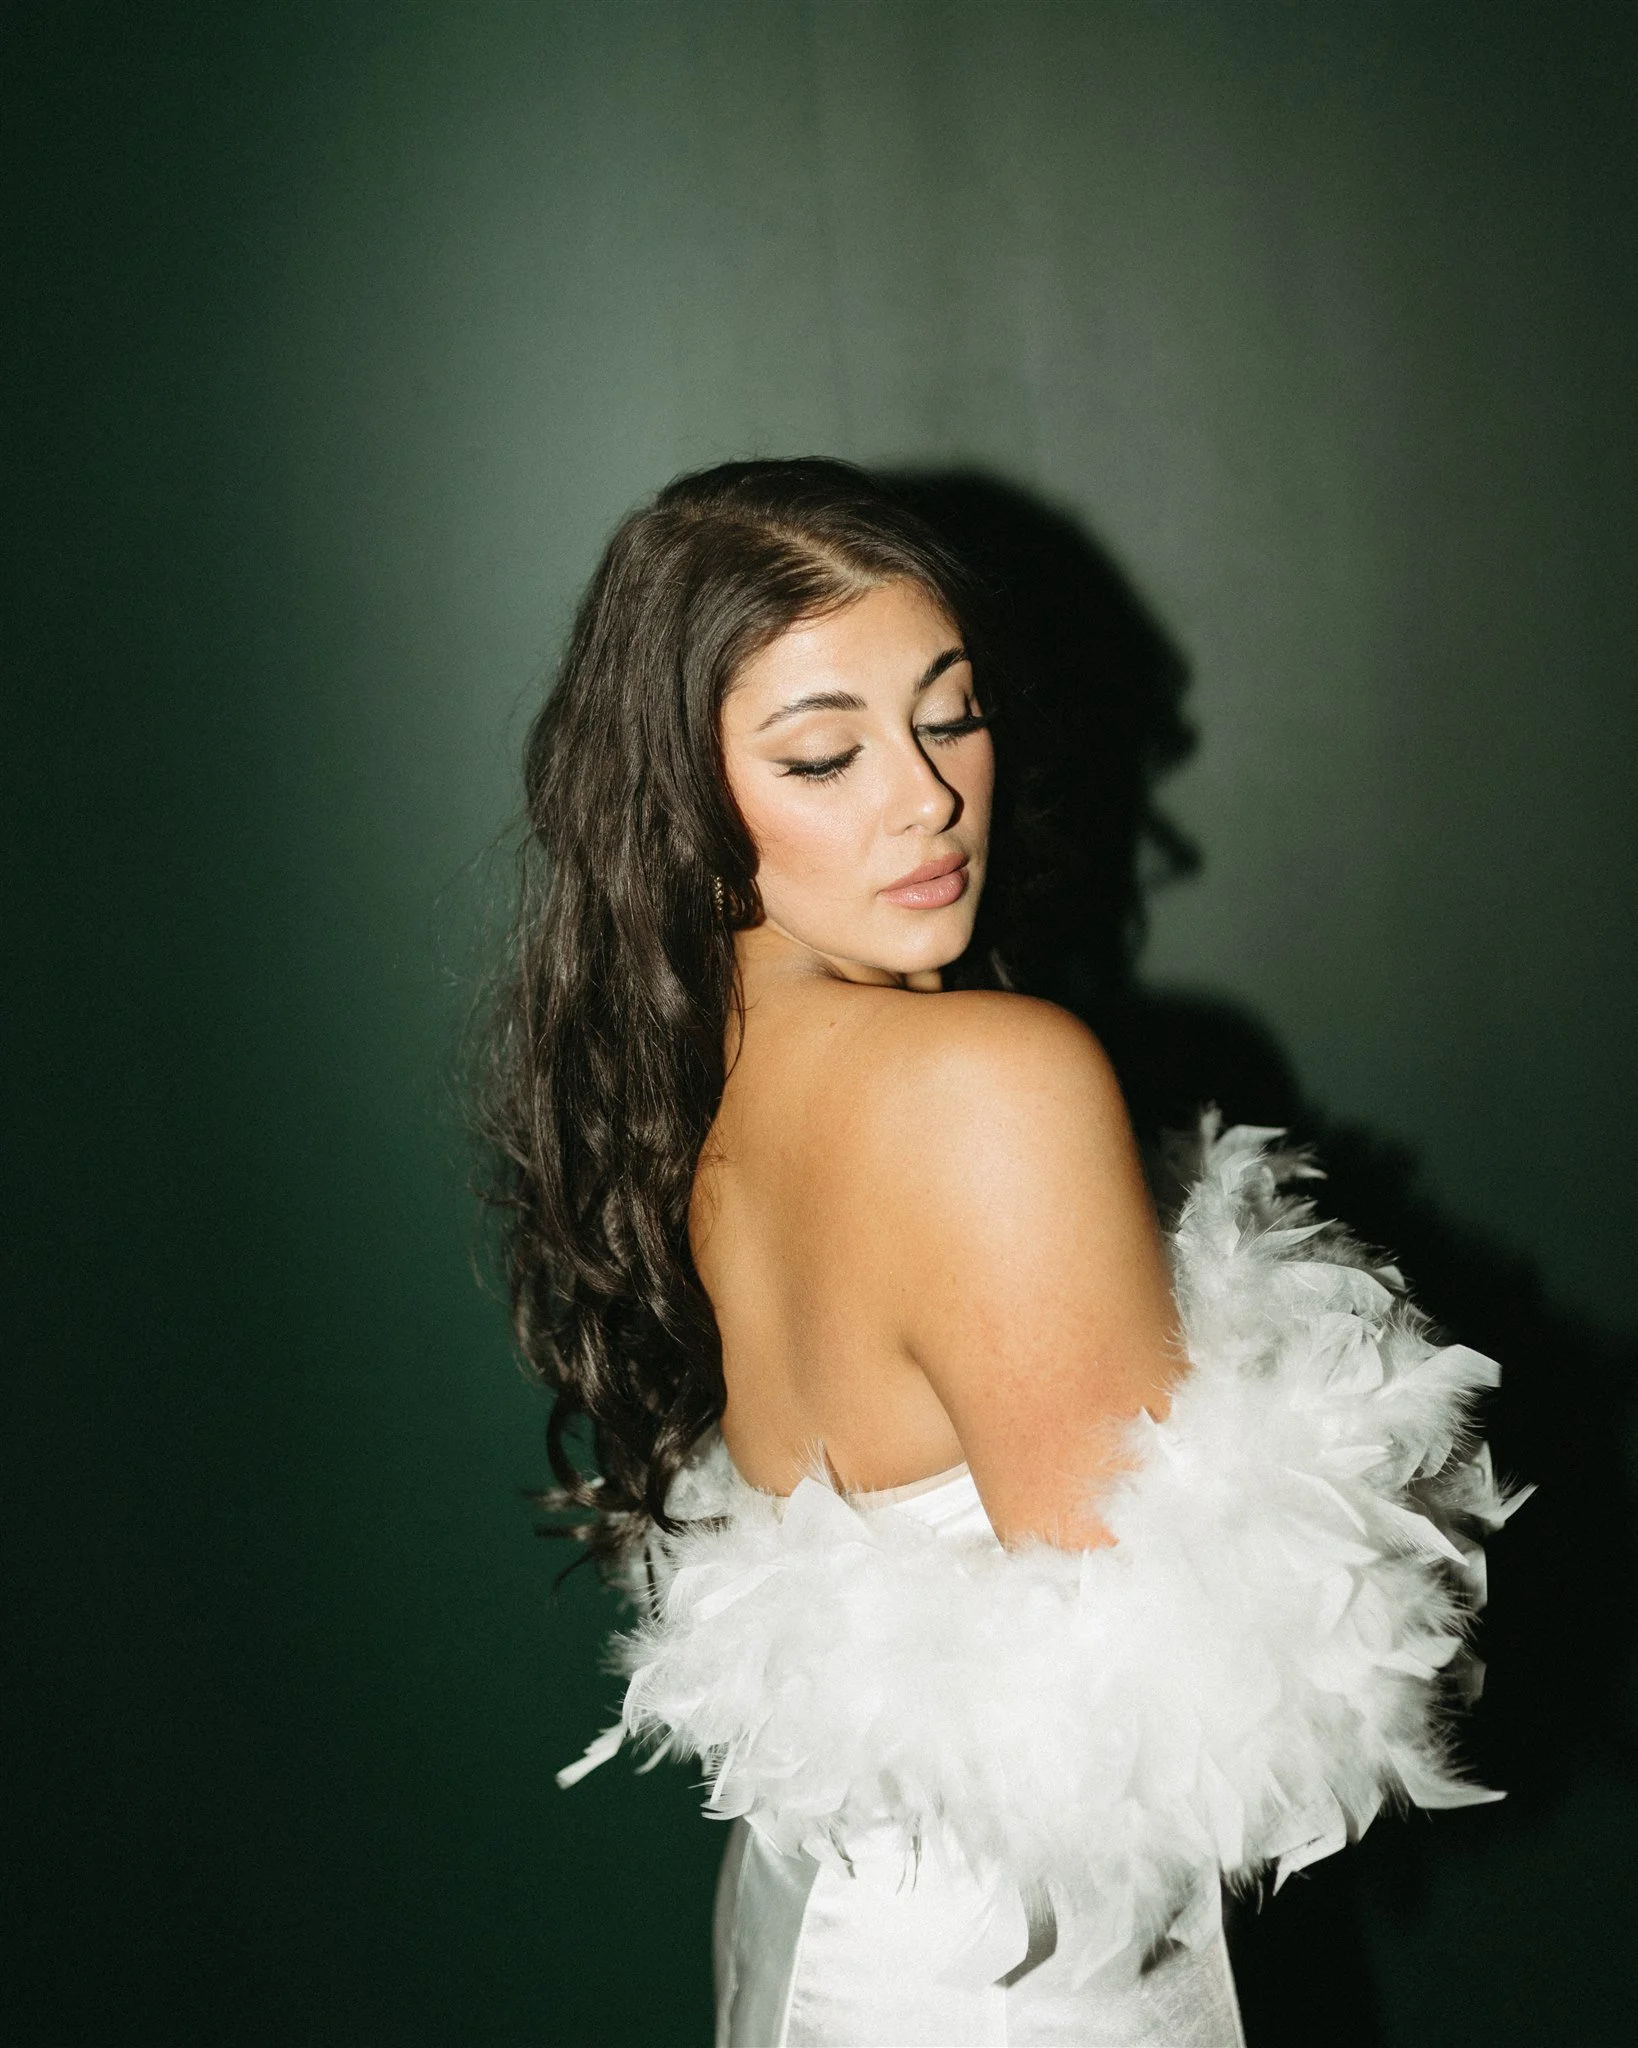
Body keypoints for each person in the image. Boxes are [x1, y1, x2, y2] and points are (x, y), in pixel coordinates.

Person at [479, 459, 1522, 2047]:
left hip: (821, 1913)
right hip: (1028, 1970)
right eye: (822, 754)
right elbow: (1179, 1689)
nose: (924, 796)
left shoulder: (695, 1068)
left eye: (949, 716)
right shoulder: (989, 1080)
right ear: (676, 800)